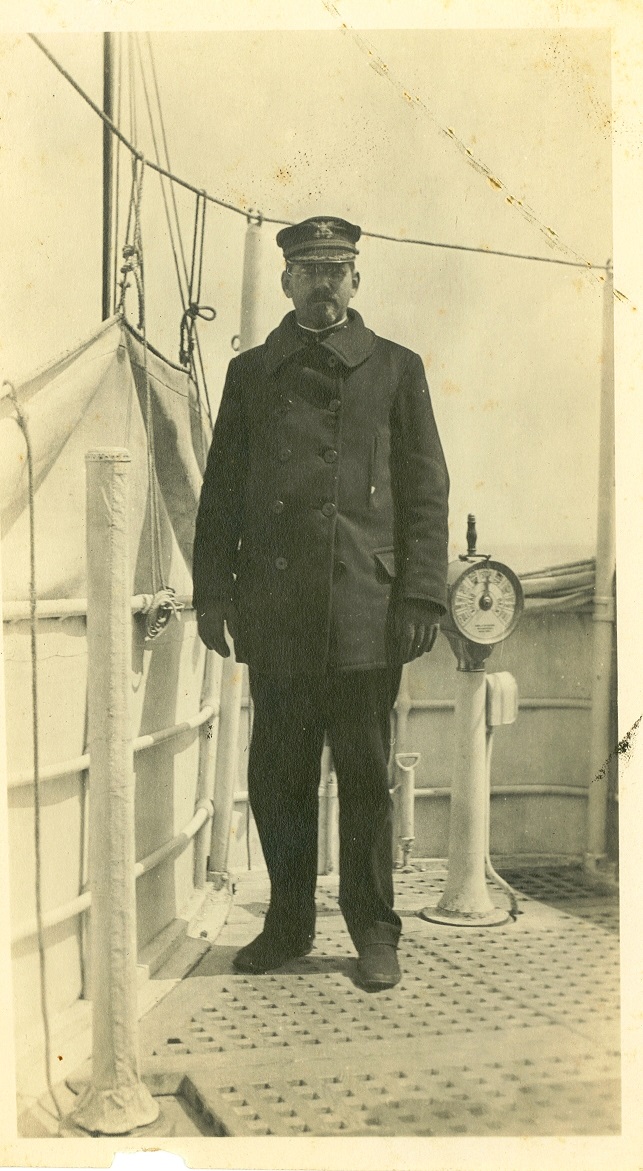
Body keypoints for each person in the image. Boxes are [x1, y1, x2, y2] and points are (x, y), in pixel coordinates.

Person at [193, 215, 449, 991]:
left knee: (367, 776)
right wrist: (212, 595)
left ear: (356, 279)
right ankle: (289, 923)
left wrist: (421, 597)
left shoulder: (397, 369)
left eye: (337, 268)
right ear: (286, 282)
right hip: (276, 612)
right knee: (278, 773)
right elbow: (221, 495)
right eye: (309, 269)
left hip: (365, 612)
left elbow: (425, 494)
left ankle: (374, 929)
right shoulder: (251, 375)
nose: (323, 282)